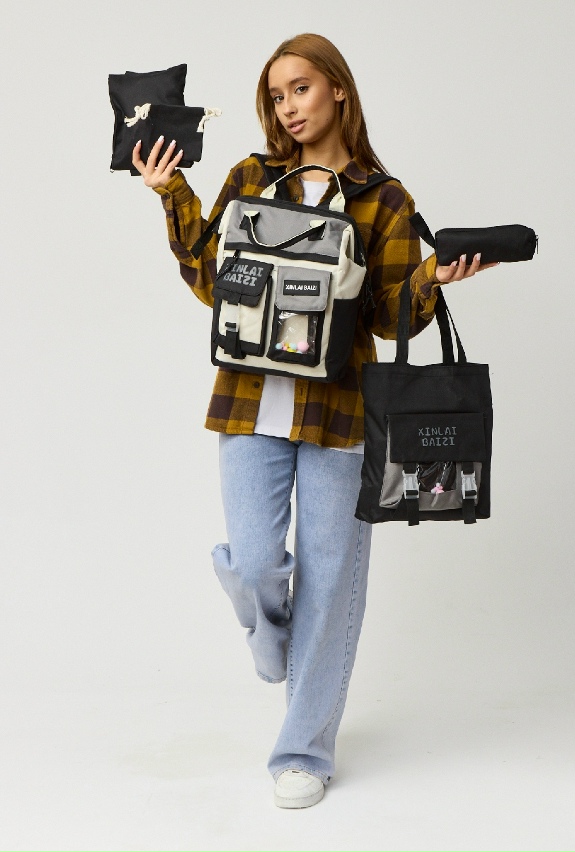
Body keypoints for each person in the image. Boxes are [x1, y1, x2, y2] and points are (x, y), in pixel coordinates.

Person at [132, 33, 496, 809]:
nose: (288, 107)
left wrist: (433, 277)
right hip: (248, 402)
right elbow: (214, 280)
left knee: (331, 582)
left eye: (299, 88)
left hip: (340, 413)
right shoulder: (251, 178)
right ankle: (278, 646)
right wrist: (171, 193)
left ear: (337, 89)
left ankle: (303, 750)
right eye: (276, 96)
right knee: (255, 562)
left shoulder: (385, 197)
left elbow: (391, 316)